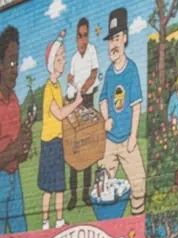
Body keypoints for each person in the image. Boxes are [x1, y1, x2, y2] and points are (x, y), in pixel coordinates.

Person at [98, 7, 146, 216]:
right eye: (110, 40)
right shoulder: (109, 73)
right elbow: (102, 100)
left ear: (125, 38)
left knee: (140, 182)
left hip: (127, 139)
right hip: (110, 141)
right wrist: (105, 117)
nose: (113, 44)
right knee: (102, 187)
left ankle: (137, 218)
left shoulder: (131, 69)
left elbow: (136, 106)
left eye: (117, 38)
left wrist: (133, 136)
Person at [40, 33, 83, 231]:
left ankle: (58, 221)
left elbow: (63, 109)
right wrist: (76, 103)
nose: (63, 61)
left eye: (64, 57)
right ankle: (44, 224)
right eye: (59, 58)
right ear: (52, 64)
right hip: (49, 143)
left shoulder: (57, 86)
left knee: (59, 186)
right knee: (48, 188)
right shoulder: (49, 88)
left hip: (57, 142)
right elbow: (58, 114)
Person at [67, 17, 99, 211]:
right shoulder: (73, 58)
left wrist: (84, 89)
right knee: (74, 150)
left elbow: (94, 74)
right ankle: (73, 196)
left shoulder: (92, 51)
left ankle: (85, 194)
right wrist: (71, 81)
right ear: (76, 37)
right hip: (75, 103)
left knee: (86, 151)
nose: (83, 40)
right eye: (80, 36)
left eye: (86, 35)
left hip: (86, 100)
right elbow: (70, 77)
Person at [0, 25, 30, 234]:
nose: (15, 68)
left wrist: (24, 146)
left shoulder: (15, 102)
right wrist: (15, 149)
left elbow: (19, 153)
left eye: (17, 62)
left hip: (15, 178)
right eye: (11, 61)